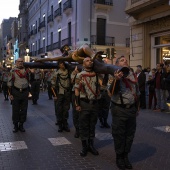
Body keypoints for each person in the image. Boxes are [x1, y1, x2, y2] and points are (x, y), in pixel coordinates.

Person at [109, 56, 140, 170]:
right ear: (117, 64)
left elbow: (137, 92)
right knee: (119, 134)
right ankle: (119, 157)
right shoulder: (114, 73)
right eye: (122, 60)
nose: (125, 61)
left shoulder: (132, 73)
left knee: (130, 134)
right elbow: (111, 92)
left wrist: (137, 107)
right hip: (119, 109)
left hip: (131, 109)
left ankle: (126, 156)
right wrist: (117, 79)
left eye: (126, 60)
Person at [75, 57, 101, 157]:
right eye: (87, 61)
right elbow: (77, 90)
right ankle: (84, 146)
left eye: (91, 61)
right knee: (84, 125)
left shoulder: (97, 74)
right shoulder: (79, 75)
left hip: (94, 103)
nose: (90, 62)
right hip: (84, 103)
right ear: (83, 63)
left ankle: (91, 145)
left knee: (92, 125)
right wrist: (77, 104)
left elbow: (101, 86)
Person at [7, 58, 30, 133]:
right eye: (19, 62)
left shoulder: (26, 71)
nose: (20, 63)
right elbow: (9, 84)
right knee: (15, 110)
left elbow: (30, 80)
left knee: (24, 109)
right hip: (16, 92)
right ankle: (15, 125)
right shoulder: (13, 71)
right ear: (16, 63)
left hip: (24, 92)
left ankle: (21, 125)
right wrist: (10, 94)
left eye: (21, 62)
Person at [51, 61, 71, 132]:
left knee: (66, 109)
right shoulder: (56, 73)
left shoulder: (68, 72)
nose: (62, 65)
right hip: (59, 93)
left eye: (63, 64)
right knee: (59, 109)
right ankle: (60, 124)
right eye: (60, 64)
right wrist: (55, 95)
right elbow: (52, 85)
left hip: (67, 93)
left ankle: (65, 123)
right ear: (59, 66)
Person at [71, 66, 80, 138]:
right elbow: (72, 81)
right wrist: (77, 73)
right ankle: (77, 129)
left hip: (85, 95)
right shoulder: (74, 73)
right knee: (76, 113)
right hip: (76, 94)